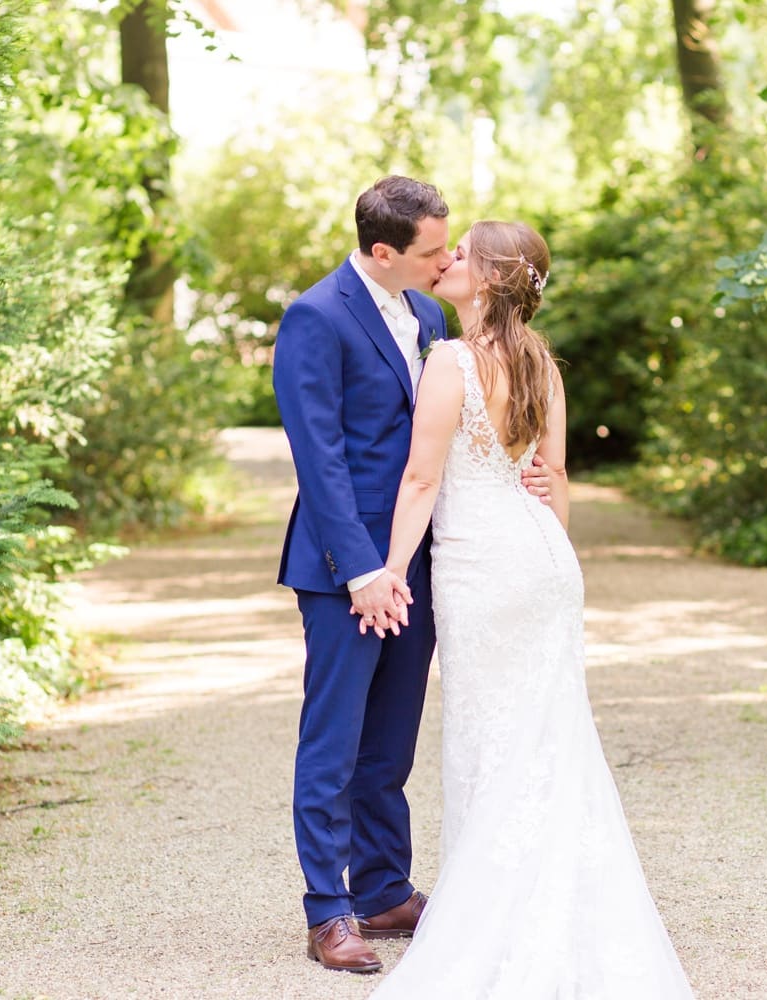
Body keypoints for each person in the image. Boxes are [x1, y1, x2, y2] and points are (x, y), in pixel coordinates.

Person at [364, 221, 695, 998]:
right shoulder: (542, 362)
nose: (447, 262)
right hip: (545, 562)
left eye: (461, 255)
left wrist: (390, 569)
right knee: (547, 733)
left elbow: (420, 481)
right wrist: (547, 543)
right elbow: (555, 477)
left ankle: (497, 910)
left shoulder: (450, 361)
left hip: (483, 568)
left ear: (487, 278)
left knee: (491, 734)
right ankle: (558, 897)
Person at [272, 179, 551, 974]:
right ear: (383, 250)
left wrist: (523, 474)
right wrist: (361, 569)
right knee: (333, 742)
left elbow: (450, 438)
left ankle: (386, 888)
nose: (448, 259)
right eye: (434, 250)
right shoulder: (315, 318)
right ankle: (329, 912)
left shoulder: (429, 316)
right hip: (345, 571)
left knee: (390, 743)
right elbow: (319, 457)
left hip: (420, 562)